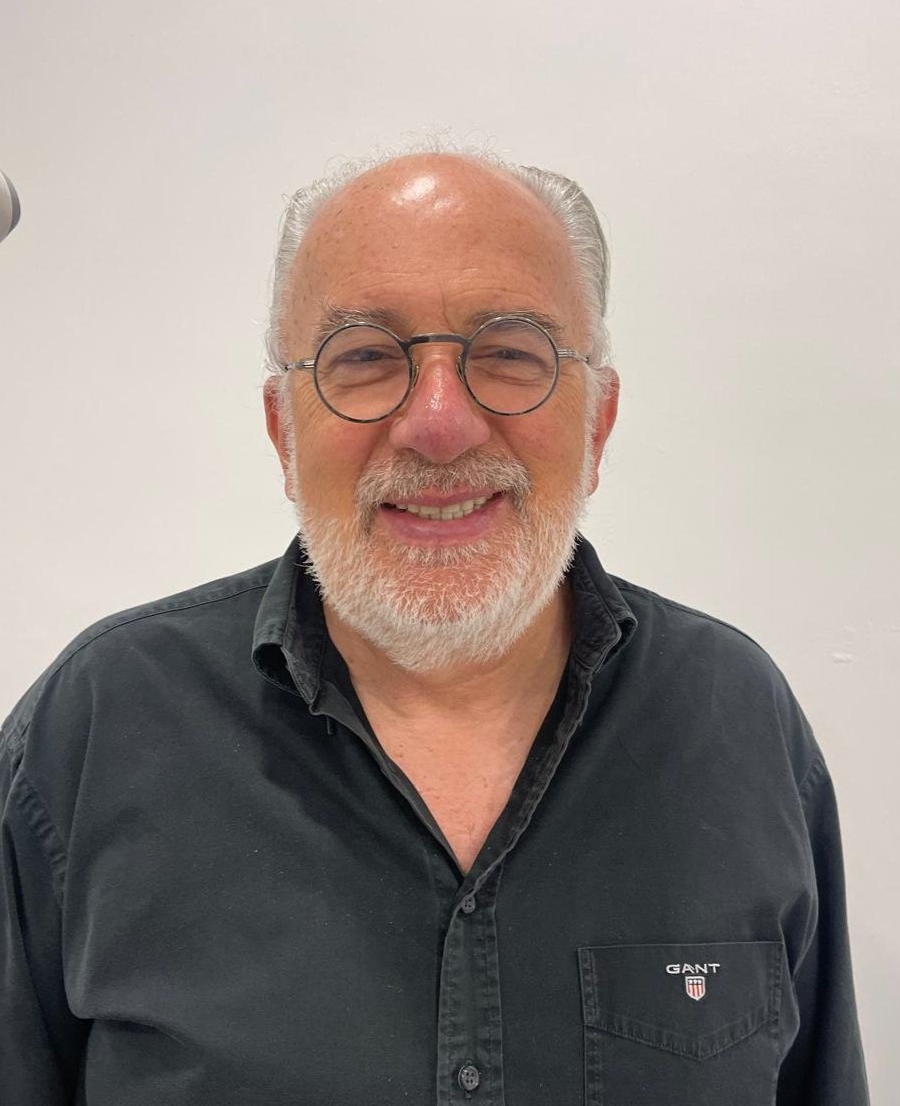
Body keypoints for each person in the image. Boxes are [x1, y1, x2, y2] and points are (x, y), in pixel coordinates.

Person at [1, 148, 868, 1105]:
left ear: (600, 422)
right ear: (283, 428)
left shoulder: (737, 722)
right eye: (366, 358)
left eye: (509, 352)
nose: (440, 424)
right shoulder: (97, 728)